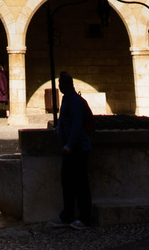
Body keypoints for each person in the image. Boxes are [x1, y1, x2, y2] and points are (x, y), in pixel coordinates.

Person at [51, 71, 92, 229]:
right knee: (67, 182)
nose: (59, 86)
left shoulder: (74, 101)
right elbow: (67, 122)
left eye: (60, 83)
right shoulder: (67, 99)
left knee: (80, 183)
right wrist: (59, 129)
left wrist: (69, 145)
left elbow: (77, 125)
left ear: (66, 84)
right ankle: (67, 216)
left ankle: (84, 218)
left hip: (77, 149)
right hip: (70, 149)